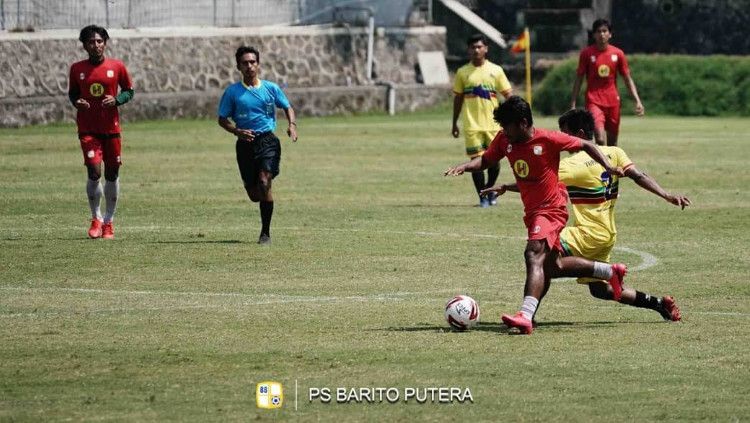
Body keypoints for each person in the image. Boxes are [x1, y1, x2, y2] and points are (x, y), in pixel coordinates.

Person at [445, 96, 627, 335]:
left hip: (552, 209)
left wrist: (608, 166)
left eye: (507, 126)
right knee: (553, 265)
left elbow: (587, 145)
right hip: (532, 211)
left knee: (533, 254)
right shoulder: (504, 139)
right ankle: (608, 271)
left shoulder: (548, 138)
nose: (503, 132)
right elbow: (487, 160)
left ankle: (525, 315)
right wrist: (467, 166)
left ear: (522, 123)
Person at [484, 109, 688, 321]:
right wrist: (666, 195)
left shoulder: (573, 164)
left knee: (541, 258)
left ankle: (528, 315)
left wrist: (505, 187)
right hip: (607, 235)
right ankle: (659, 305)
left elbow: (538, 182)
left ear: (579, 134)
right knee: (600, 291)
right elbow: (638, 175)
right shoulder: (615, 152)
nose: (563, 140)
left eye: (566, 134)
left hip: (586, 234)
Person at [218, 46, 298, 245]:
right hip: (245, 145)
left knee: (264, 181)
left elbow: (287, 107)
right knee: (255, 195)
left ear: (258, 64)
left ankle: (265, 233)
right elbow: (222, 119)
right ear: (238, 66)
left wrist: (292, 125)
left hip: (267, 141)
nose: (249, 66)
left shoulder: (271, 88)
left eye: (252, 62)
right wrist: (237, 131)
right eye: (245, 63)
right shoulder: (232, 92)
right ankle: (262, 192)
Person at [68, 25, 134, 239]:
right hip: (88, 129)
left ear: (105, 42)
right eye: (90, 42)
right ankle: (95, 218)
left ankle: (109, 221)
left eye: (99, 41)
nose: (95, 45)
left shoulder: (117, 67)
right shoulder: (77, 68)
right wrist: (77, 102)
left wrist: (116, 100)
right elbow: (73, 94)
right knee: (94, 173)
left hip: (111, 129)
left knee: (112, 173)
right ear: (84, 45)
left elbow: (129, 91)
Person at [451, 34, 513, 207]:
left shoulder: (496, 70)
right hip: (472, 125)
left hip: (494, 125)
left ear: (486, 49)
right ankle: (482, 196)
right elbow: (458, 99)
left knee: (494, 160)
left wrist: (513, 115)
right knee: (476, 160)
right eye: (473, 47)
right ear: (468, 50)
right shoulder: (463, 72)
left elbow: (508, 94)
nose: (476, 50)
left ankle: (490, 189)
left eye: (479, 47)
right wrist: (454, 122)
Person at [570, 19, 644, 146]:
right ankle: (601, 164)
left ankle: (610, 166)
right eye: (598, 31)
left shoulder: (618, 54)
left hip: (613, 101)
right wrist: (573, 103)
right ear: (593, 35)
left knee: (613, 143)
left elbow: (627, 78)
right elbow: (579, 79)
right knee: (599, 138)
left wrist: (637, 100)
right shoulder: (586, 54)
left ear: (610, 34)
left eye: (604, 31)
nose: (601, 34)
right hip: (593, 101)